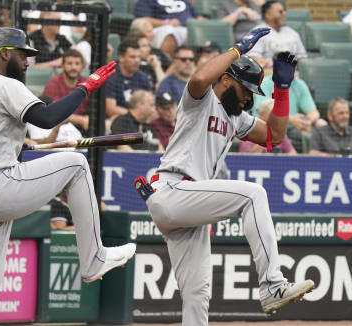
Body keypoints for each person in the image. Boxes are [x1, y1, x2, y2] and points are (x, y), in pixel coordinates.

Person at [0, 27, 136, 326]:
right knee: (77, 164)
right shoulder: (4, 85)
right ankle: (94, 260)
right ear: (4, 54)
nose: (27, 62)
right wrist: (84, 88)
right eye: (23, 54)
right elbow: (47, 117)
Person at [136, 28, 314, 325]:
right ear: (227, 80)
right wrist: (237, 49)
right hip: (172, 188)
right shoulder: (202, 100)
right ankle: (272, 285)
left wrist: (282, 91)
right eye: (245, 91)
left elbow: (275, 136)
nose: (248, 99)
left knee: (197, 293)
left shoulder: (236, 117)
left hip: (187, 205)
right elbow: (200, 79)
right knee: (253, 194)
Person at [252, 71, 326, 152]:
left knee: (321, 123)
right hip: (267, 127)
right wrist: (291, 119)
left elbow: (314, 112)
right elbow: (266, 112)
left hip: (291, 128)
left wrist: (308, 121)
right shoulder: (265, 83)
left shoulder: (299, 84)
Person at [248, 0, 307, 68]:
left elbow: (303, 58)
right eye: (280, 12)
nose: (284, 13)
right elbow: (252, 57)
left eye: (284, 11)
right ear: (268, 15)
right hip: (268, 73)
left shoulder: (293, 33)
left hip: (293, 73)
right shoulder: (258, 32)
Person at [134, 0, 204, 57]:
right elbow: (143, 20)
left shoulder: (184, 1)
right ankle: (169, 66)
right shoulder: (147, 1)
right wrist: (166, 22)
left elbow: (197, 16)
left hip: (190, 29)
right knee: (169, 32)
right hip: (162, 28)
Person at [43, 49, 89, 133]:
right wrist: (81, 120)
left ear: (82, 66)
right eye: (69, 63)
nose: (73, 67)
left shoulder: (86, 84)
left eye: (77, 63)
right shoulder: (53, 84)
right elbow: (55, 112)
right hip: (58, 129)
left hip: (84, 129)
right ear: (62, 66)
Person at [105, 39, 153, 119]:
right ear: (121, 58)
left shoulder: (143, 77)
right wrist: (136, 115)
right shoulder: (111, 76)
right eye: (132, 57)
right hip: (118, 121)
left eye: (138, 57)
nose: (137, 60)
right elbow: (110, 109)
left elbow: (151, 105)